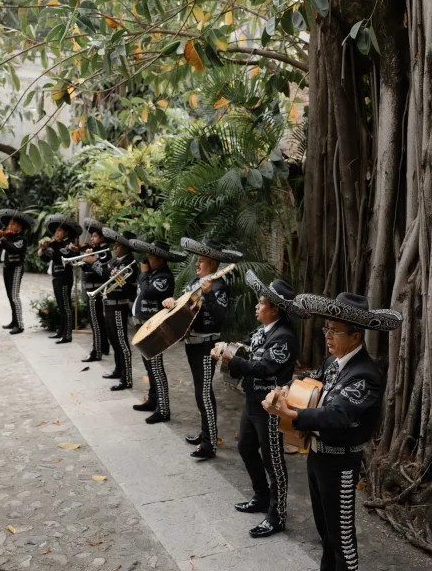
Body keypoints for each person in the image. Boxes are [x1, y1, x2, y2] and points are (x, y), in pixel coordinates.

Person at [262, 292, 403, 571]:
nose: (327, 335)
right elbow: (310, 378)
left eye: (334, 331)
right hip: (317, 458)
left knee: (343, 542)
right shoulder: (333, 363)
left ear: (355, 336)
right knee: (325, 533)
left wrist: (292, 415)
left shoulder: (365, 374)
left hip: (340, 464)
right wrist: (288, 389)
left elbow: (338, 413)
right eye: (326, 328)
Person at [211, 270, 309, 538]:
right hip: (253, 401)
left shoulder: (284, 337)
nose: (257, 305)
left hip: (272, 407)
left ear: (275, 310)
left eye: (262, 303)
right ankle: (261, 497)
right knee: (245, 447)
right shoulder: (262, 330)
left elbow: (265, 367)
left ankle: (277, 516)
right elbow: (246, 345)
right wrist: (226, 347)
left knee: (273, 461)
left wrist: (233, 361)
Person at [163, 237, 243, 460]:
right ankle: (205, 433)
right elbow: (181, 306)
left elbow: (219, 318)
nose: (197, 265)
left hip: (207, 346)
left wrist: (208, 294)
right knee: (199, 392)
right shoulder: (191, 283)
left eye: (202, 261)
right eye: (197, 260)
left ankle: (210, 444)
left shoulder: (219, 287)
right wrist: (171, 302)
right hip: (191, 343)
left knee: (205, 392)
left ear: (214, 265)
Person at [130, 239, 187, 424]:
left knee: (156, 367)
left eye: (151, 256)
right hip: (144, 326)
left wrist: (144, 274)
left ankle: (163, 409)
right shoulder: (152, 274)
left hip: (154, 328)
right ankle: (153, 400)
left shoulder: (164, 277)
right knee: (149, 366)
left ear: (160, 259)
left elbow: (147, 293)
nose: (147, 259)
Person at [83, 228, 137, 391]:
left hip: (119, 305)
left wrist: (94, 262)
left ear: (126, 247)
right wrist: (89, 262)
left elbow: (107, 275)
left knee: (122, 342)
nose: (115, 247)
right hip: (109, 303)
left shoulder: (129, 263)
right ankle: (118, 369)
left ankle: (126, 378)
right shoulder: (116, 260)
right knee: (113, 339)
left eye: (119, 244)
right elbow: (104, 273)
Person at [37, 214, 82, 344]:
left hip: (65, 278)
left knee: (65, 306)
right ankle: (61, 332)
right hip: (56, 277)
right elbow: (46, 258)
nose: (57, 233)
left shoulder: (68, 245)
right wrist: (43, 250)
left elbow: (60, 256)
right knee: (60, 306)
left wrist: (50, 249)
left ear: (65, 232)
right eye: (56, 230)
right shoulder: (55, 244)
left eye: (60, 230)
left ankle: (67, 335)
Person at [0, 209, 35, 334]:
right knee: (10, 295)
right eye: (9, 224)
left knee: (15, 296)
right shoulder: (7, 237)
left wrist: (3, 240)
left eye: (13, 224)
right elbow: (2, 248)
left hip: (17, 268)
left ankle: (20, 325)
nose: (10, 226)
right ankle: (14, 321)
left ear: (19, 227)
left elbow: (13, 249)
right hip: (7, 268)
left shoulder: (21, 239)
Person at [79, 218, 112, 363]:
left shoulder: (104, 252)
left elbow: (101, 270)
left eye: (95, 236)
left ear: (102, 237)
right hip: (91, 288)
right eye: (91, 236)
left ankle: (96, 351)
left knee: (96, 320)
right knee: (97, 319)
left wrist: (90, 259)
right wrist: (85, 260)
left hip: (96, 289)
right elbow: (86, 267)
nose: (91, 238)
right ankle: (103, 346)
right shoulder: (95, 250)